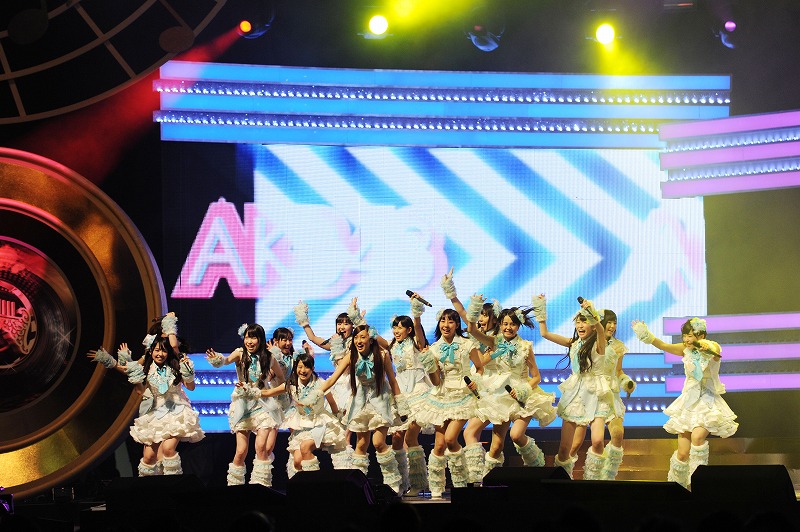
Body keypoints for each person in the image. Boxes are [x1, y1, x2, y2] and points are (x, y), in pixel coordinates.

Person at [631, 317, 738, 488]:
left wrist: (705, 346)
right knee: (682, 453)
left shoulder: (712, 347)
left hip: (707, 401)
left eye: (690, 336)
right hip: (688, 402)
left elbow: (715, 349)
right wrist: (647, 335)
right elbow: (663, 345)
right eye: (685, 336)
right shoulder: (685, 349)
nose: (686, 339)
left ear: (701, 335)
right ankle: (676, 488)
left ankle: (698, 484)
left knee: (697, 437)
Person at [89, 325, 204, 476]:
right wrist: (110, 360)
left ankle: (173, 484)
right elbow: (137, 386)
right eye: (157, 350)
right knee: (149, 457)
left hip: (176, 410)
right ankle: (149, 487)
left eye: (164, 350)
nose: (160, 354)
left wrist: (188, 373)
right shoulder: (147, 368)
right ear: (151, 351)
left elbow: (191, 387)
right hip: (156, 412)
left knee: (168, 449)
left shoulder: (175, 366)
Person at [467, 299, 557, 478]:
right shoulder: (494, 342)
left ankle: (537, 467)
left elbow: (536, 377)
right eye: (505, 324)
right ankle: (487, 480)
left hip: (523, 395)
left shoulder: (525, 347)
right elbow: (472, 330)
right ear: (500, 324)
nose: (508, 327)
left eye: (512, 324)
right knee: (496, 446)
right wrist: (475, 307)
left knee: (516, 435)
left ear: (518, 326)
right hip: (500, 396)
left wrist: (523, 391)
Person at [534, 295, 620, 480]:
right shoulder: (573, 343)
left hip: (597, 394)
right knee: (565, 448)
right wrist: (541, 311)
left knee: (598, 441)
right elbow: (544, 333)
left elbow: (600, 329)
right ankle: (562, 483)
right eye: (578, 322)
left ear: (593, 325)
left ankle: (593, 482)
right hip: (576, 395)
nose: (580, 325)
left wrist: (592, 313)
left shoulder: (599, 343)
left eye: (584, 321)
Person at [410, 304, 484, 499]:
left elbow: (480, 367)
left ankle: (461, 483)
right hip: (441, 396)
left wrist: (475, 382)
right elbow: (436, 381)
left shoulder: (467, 344)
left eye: (450, 321)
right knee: (439, 445)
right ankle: (436, 487)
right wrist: (429, 364)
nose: (446, 324)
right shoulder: (434, 348)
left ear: (457, 324)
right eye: (443, 320)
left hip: (463, 395)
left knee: (451, 439)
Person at [440, 267, 501, 484]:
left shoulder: (495, 340)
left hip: (490, 388)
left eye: (485, 315)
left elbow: (482, 362)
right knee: (468, 435)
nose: (480, 319)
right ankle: (475, 478)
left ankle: (478, 478)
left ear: (494, 318)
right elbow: (464, 313)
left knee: (473, 435)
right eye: (479, 315)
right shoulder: (474, 334)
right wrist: (450, 291)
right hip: (472, 387)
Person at [205, 323, 285, 486]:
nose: (249, 341)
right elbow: (225, 361)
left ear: (260, 339)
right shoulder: (240, 353)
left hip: (263, 405)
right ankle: (235, 486)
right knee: (241, 451)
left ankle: (261, 486)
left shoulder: (269, 357)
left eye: (253, 338)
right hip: (243, 405)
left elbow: (282, 381)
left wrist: (269, 390)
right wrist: (216, 359)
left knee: (261, 447)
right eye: (247, 337)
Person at [569, 309, 635, 480]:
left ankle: (607, 478)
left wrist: (626, 382)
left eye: (615, 323)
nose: (612, 326)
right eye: (609, 322)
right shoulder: (587, 342)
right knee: (576, 443)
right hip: (590, 394)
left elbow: (618, 371)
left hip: (610, 395)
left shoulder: (618, 346)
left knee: (617, 434)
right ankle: (569, 475)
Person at [260, 352, 349, 474]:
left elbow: (332, 403)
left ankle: (311, 482)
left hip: (320, 424)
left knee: (305, 447)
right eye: (300, 367)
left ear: (312, 368)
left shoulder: (320, 383)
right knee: (297, 461)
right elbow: (268, 392)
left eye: (306, 367)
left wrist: (338, 418)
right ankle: (304, 482)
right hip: (302, 426)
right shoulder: (291, 384)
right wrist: (250, 391)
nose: (303, 370)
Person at [294, 298, 358, 460]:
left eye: (346, 323)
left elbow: (346, 365)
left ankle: (348, 467)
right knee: (335, 429)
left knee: (346, 431)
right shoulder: (335, 343)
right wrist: (304, 320)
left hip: (352, 386)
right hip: (337, 386)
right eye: (339, 323)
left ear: (352, 326)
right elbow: (313, 338)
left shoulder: (356, 343)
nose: (342, 326)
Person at [381, 306, 434, 495]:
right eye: (394, 327)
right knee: (396, 439)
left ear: (408, 329)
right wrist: (359, 321)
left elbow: (418, 328)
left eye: (400, 327)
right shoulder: (393, 345)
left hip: (418, 393)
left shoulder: (416, 343)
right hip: (401, 395)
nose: (396, 330)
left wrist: (416, 313)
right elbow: (376, 339)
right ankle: (401, 484)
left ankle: (418, 482)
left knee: (411, 437)